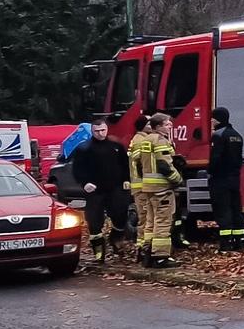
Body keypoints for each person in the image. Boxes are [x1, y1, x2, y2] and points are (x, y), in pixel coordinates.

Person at [128, 113, 184, 268]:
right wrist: (178, 179)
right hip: (162, 188)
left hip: (149, 188)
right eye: (167, 124)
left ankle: (147, 252)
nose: (170, 126)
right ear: (158, 126)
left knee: (150, 221)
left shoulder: (145, 140)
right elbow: (164, 165)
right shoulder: (160, 141)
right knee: (163, 221)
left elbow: (139, 165)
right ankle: (160, 256)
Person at [72, 117, 132, 263]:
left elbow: (125, 165)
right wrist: (84, 183)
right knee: (94, 221)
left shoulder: (116, 146)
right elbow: (77, 169)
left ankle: (116, 239)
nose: (100, 133)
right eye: (97, 131)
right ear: (92, 131)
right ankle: (99, 252)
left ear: (107, 129)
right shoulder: (84, 148)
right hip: (95, 190)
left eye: (103, 130)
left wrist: (126, 180)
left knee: (121, 215)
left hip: (115, 187)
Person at [208, 107, 244, 252]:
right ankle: (239, 241)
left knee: (223, 210)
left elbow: (215, 159)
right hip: (234, 178)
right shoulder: (237, 135)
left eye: (212, 118)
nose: (211, 120)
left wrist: (210, 172)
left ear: (218, 119)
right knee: (236, 209)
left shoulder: (218, 135)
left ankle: (226, 243)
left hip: (220, 179)